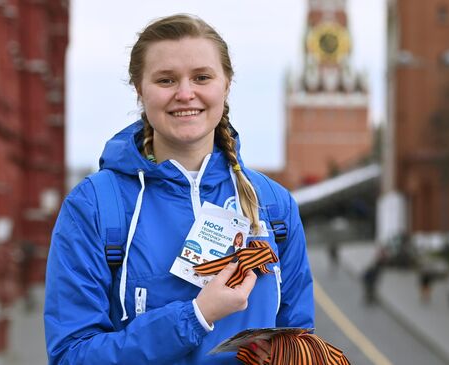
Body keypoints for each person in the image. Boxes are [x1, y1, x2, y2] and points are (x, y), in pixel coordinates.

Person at [44, 14, 314, 365]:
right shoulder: (94, 206)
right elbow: (70, 356)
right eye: (166, 80)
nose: (186, 94)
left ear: (226, 84)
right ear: (140, 90)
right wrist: (196, 316)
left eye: (202, 77)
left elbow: (298, 345)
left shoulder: (274, 207)